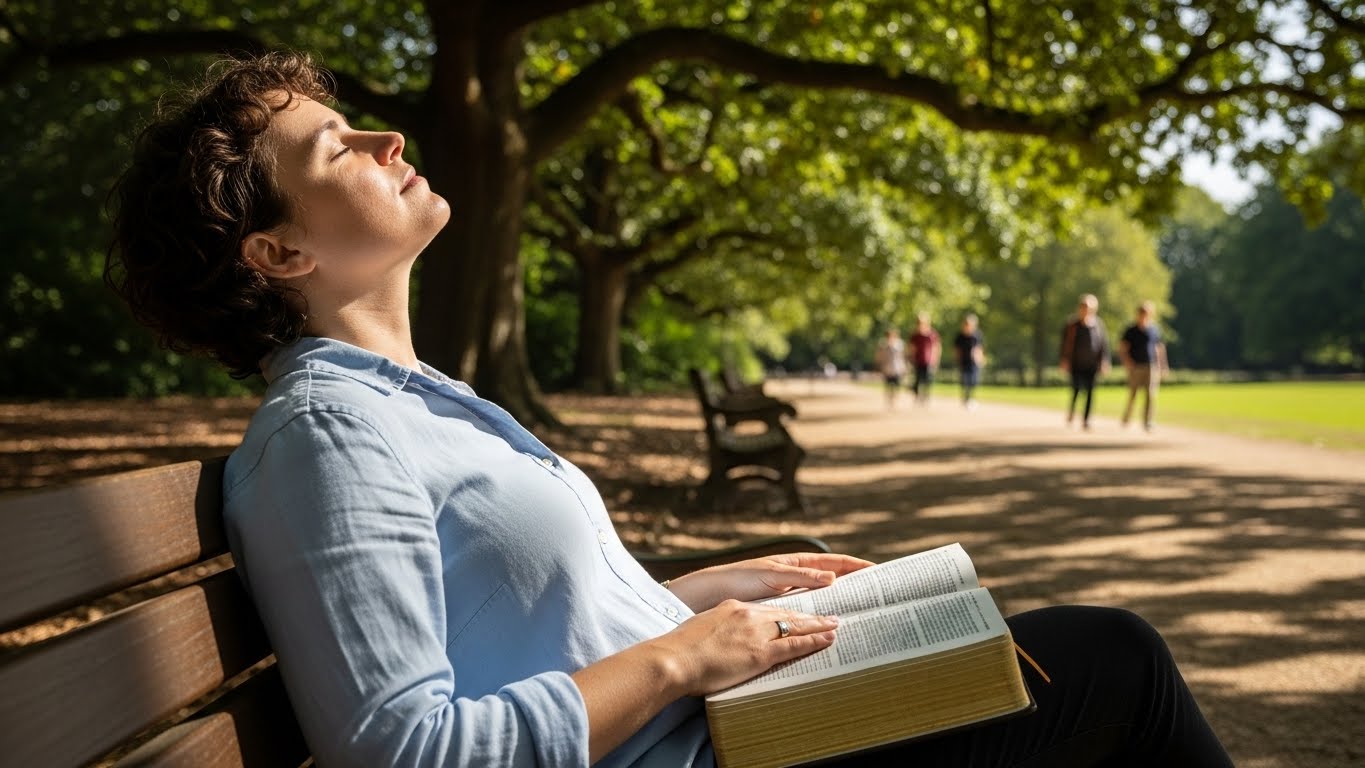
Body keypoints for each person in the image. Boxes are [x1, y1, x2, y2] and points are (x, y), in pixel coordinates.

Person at [104, 52, 1232, 767]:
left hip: (719, 735)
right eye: (333, 144)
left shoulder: (407, 404)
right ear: (281, 249)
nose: (385, 138)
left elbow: (515, 624)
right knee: (1112, 663)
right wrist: (687, 657)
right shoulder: (327, 438)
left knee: (1063, 657)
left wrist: (702, 592)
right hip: (704, 748)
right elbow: (405, 749)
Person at [1060, 294, 1111, 430]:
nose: (1085, 310)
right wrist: (1064, 360)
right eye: (1083, 307)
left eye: (1088, 308)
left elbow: (1103, 345)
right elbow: (1065, 344)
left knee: (1090, 392)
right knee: (1076, 389)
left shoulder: (1098, 325)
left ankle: (1086, 419)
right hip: (1076, 363)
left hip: (1092, 364)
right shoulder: (1072, 325)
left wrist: (1104, 362)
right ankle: (1072, 412)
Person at [1120, 301, 1168, 431]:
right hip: (1135, 367)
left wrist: (1163, 365)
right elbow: (1123, 348)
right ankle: (1127, 418)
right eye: (1142, 313)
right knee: (1133, 394)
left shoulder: (1154, 329)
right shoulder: (1131, 330)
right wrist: (1127, 362)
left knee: (1150, 395)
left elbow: (1159, 348)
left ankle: (1148, 421)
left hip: (1151, 366)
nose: (1144, 316)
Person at [952, 314, 986, 409]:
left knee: (974, 381)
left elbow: (980, 348)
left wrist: (981, 359)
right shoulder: (960, 336)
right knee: (964, 380)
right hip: (964, 362)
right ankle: (965, 398)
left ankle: (971, 398)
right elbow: (956, 349)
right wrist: (957, 359)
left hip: (974, 363)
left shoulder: (977, 335)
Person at [907, 313, 941, 405]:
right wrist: (910, 358)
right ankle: (917, 395)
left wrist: (936, 359)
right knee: (918, 379)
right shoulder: (915, 335)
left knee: (927, 379)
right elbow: (911, 348)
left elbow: (936, 347)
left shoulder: (932, 334)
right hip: (918, 360)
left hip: (928, 360)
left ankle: (926, 396)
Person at [874, 328, 908, 409]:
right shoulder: (883, 345)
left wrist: (905, 367)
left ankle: (894, 400)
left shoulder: (900, 345)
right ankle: (889, 400)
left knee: (897, 385)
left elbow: (903, 356)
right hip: (887, 369)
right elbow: (879, 357)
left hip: (897, 369)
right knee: (888, 385)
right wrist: (878, 366)